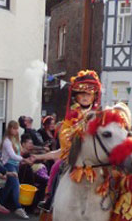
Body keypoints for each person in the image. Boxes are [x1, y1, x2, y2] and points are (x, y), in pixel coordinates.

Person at [37, 70, 102, 211]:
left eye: (88, 94)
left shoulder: (100, 116)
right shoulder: (70, 117)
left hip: (96, 157)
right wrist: (76, 134)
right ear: (76, 97)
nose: (85, 97)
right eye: (81, 94)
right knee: (56, 167)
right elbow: (64, 136)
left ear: (94, 96)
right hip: (76, 156)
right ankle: (50, 200)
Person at [0, 120, 33, 218]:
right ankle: (18, 208)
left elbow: (20, 151)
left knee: (8, 188)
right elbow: (12, 155)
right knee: (16, 186)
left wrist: (32, 155)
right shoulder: (6, 141)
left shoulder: (15, 139)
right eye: (14, 128)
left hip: (15, 166)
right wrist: (24, 160)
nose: (16, 130)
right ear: (9, 129)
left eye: (16, 128)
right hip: (8, 165)